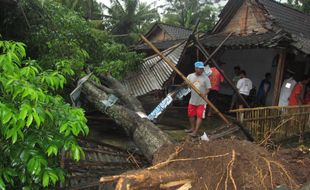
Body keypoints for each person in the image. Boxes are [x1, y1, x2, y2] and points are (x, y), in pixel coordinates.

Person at [185, 61, 211, 137]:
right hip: (192, 100)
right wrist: (186, 83)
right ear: (196, 69)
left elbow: (208, 89)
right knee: (190, 115)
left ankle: (195, 132)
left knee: (199, 116)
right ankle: (192, 128)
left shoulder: (206, 78)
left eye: (202, 69)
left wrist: (204, 94)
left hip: (202, 101)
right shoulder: (190, 76)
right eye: (200, 69)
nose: (202, 70)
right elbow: (186, 85)